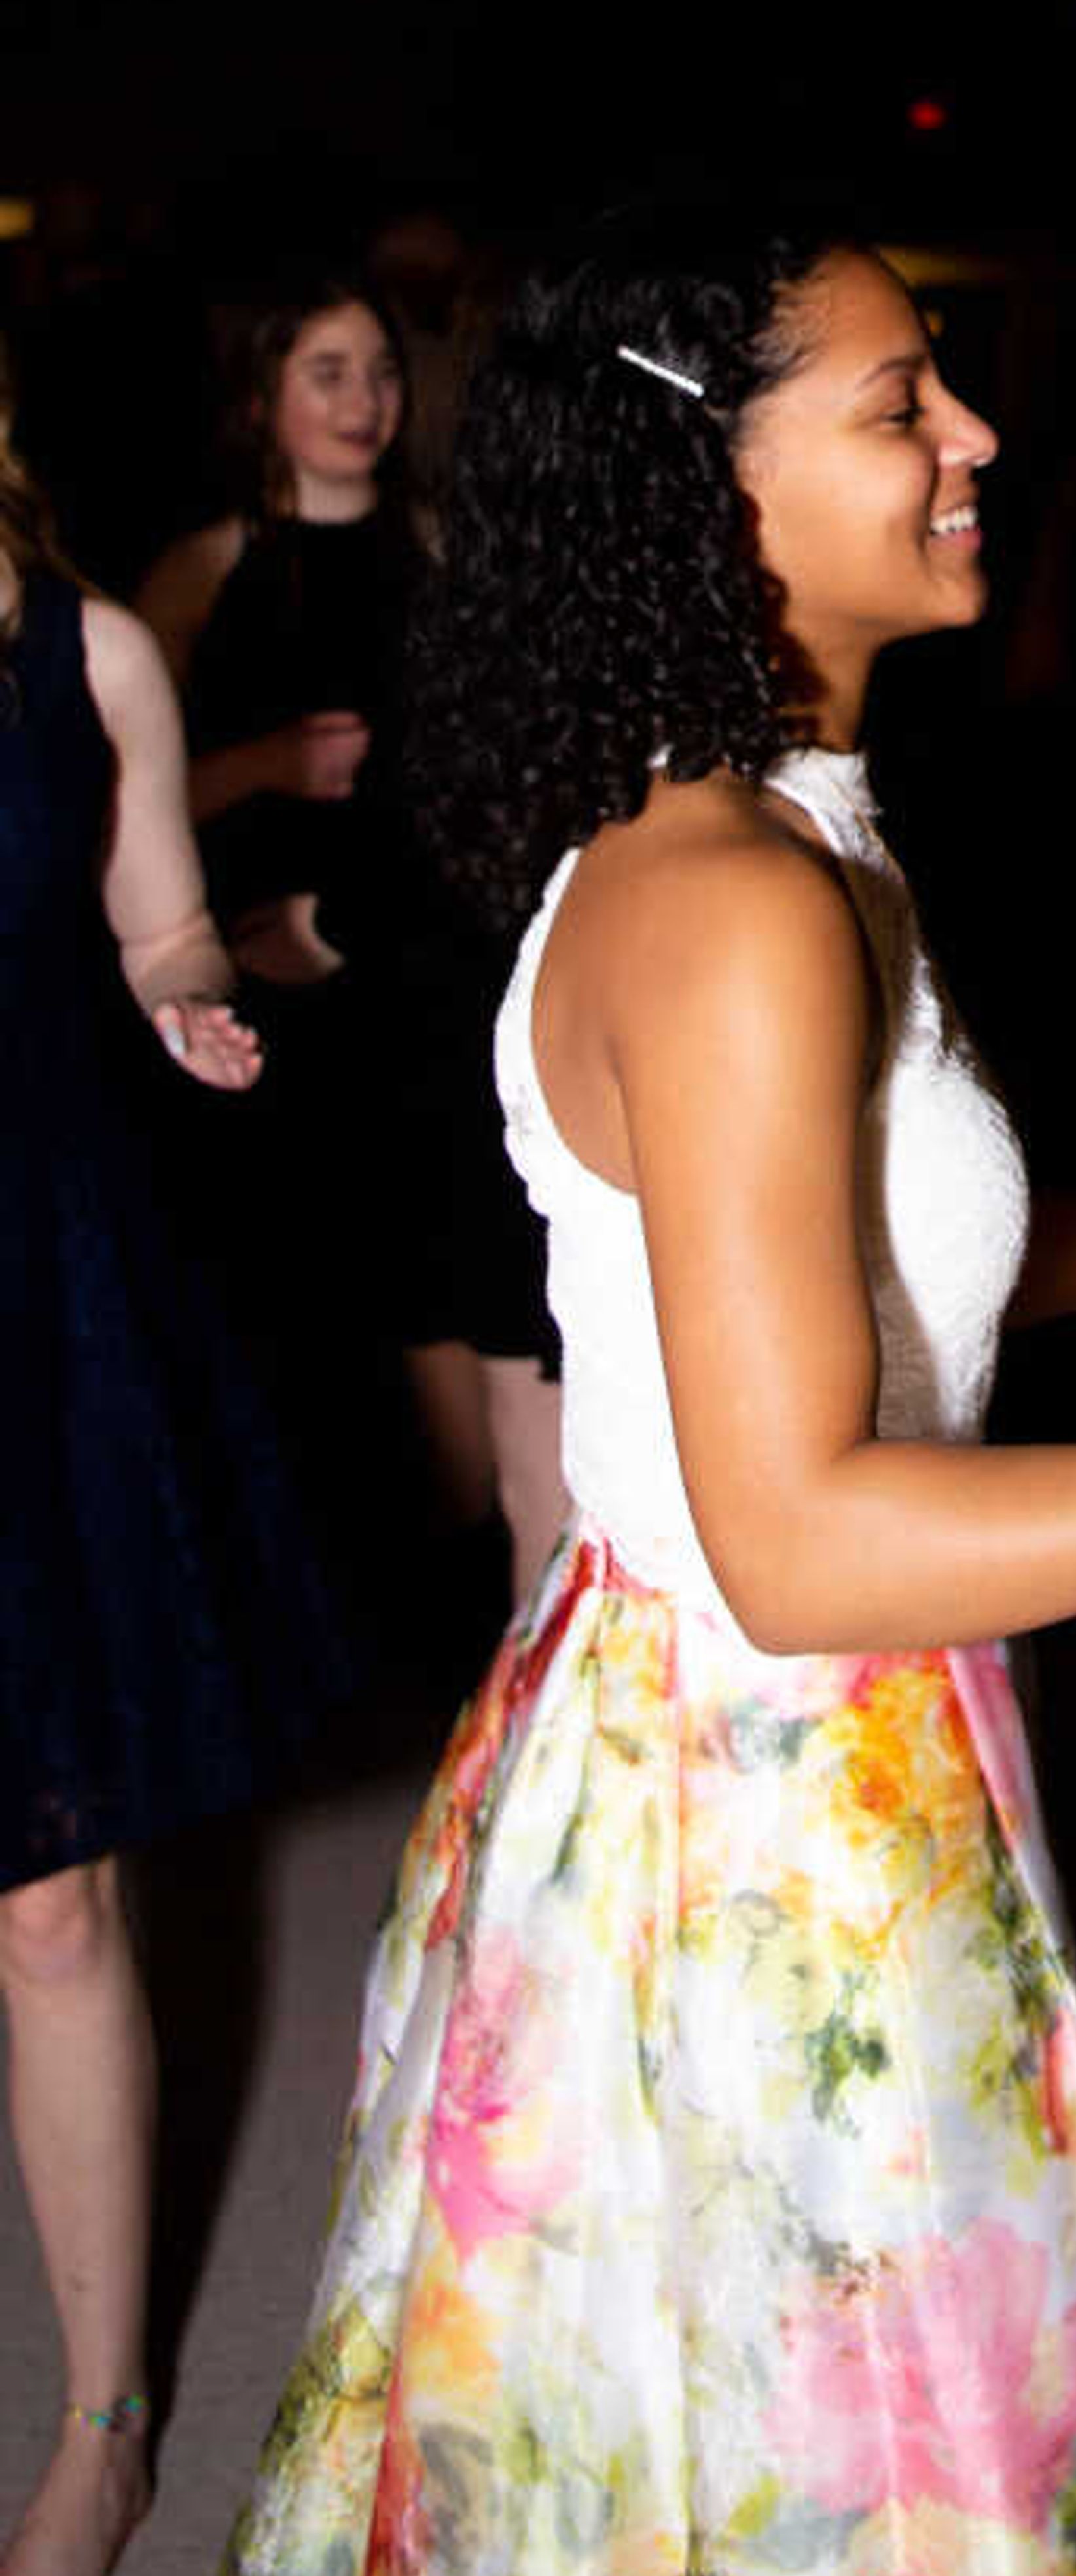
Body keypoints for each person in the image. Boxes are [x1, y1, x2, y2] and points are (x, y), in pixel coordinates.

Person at [219, 208, 1076, 2576]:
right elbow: (803, 1530)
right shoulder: (734, 907)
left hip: (765, 1733)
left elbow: (875, 1288)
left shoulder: (795, 823)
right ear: (711, 491)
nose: (978, 436)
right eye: (906, 403)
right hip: (768, 1787)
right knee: (848, 2482)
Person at [1, 353, 340, 2576]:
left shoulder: (87, 646)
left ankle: (106, 2419)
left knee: (50, 1892)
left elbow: (156, 920)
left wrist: (196, 992)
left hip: (33, 1281)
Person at [137, 272, 567, 1598]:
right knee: (325, 1309)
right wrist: (264, 763)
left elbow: (502, 779)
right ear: (262, 390)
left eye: (380, 370)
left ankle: (470, 1617)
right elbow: (115, 803)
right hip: (260, 993)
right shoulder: (202, 567)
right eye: (327, 370)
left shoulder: (442, 549)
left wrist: (361, 914)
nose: (364, 401)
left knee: (464, 1288)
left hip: (424, 974)